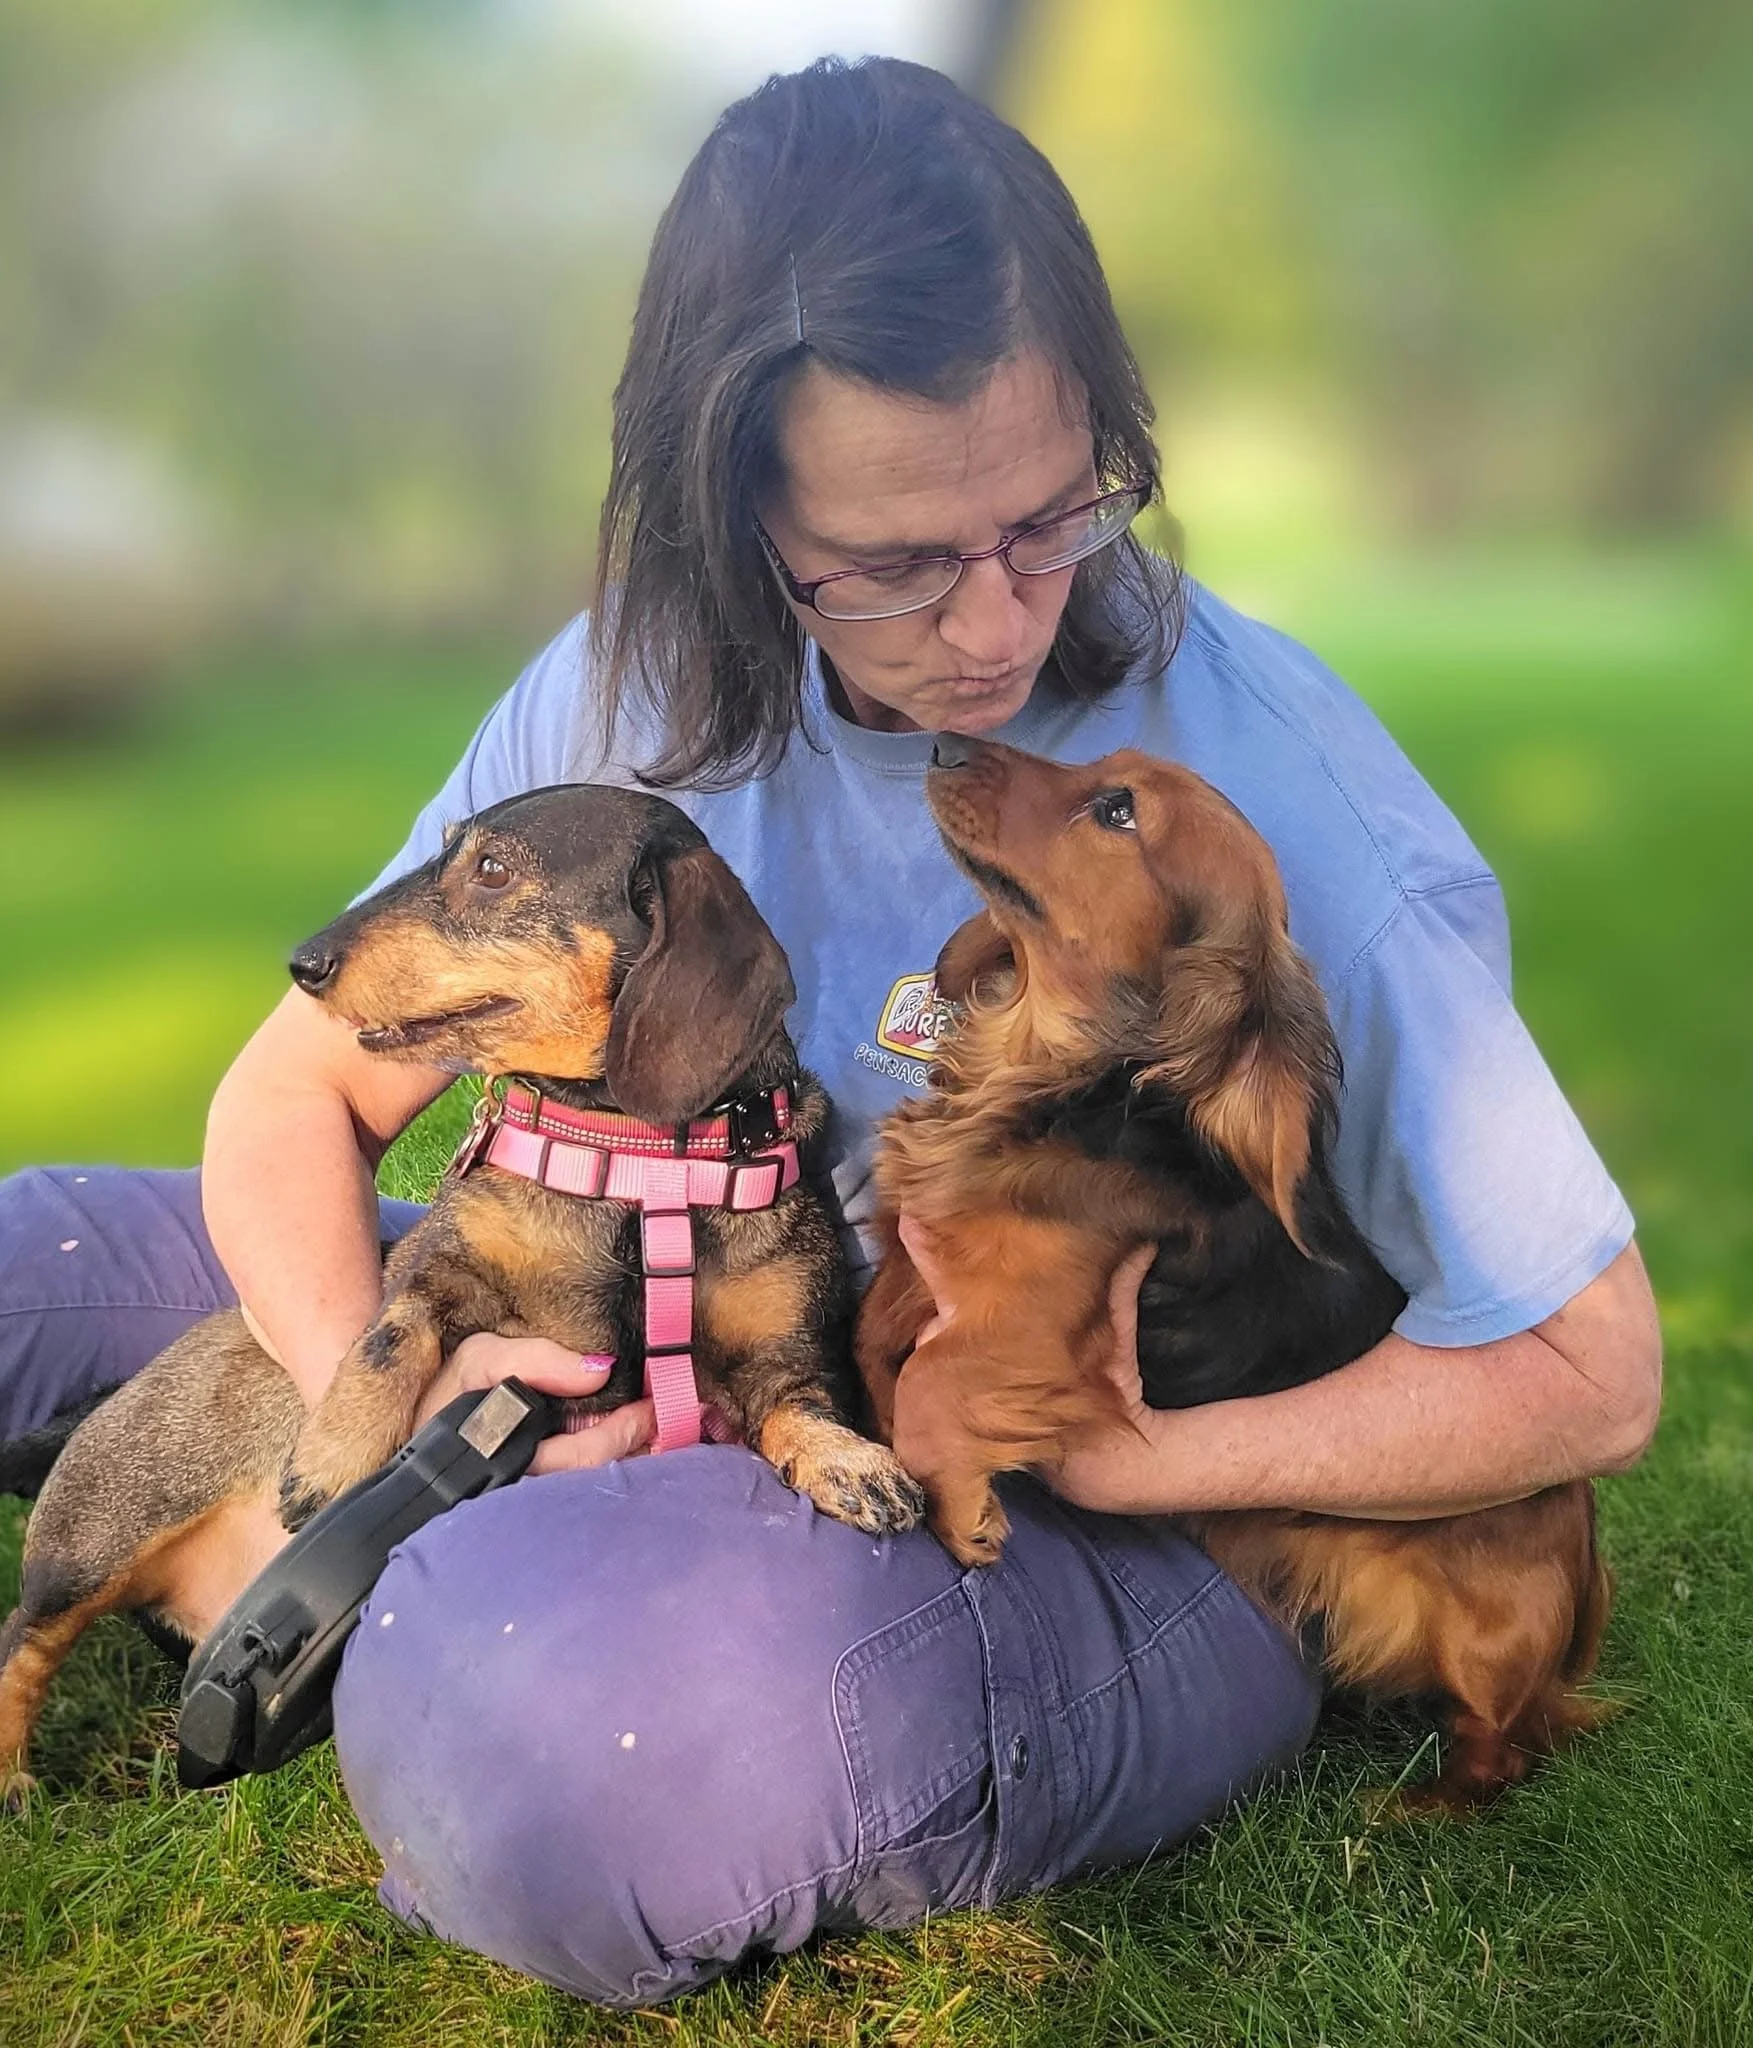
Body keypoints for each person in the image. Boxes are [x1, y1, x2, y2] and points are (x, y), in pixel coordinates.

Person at [0, 57, 1659, 2009]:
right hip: (630, 1278)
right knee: (30, 1255)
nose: (994, 625)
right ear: (740, 519)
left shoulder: (1275, 809)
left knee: (530, 1737)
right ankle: (456, 1527)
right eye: (891, 565)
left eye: (1055, 516)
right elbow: (306, 1088)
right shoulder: (640, 681)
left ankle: (565, 1606)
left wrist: (1145, 1458)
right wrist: (391, 1423)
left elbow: (1595, 1370)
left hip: (1108, 1495)